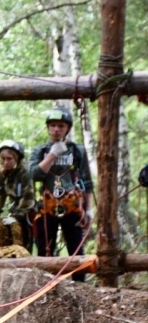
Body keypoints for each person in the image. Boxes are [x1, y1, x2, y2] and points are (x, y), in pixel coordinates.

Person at [29, 107, 94, 282]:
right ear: (48, 128)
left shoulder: (77, 151)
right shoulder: (40, 150)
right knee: (45, 249)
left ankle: (80, 287)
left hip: (72, 206)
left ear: (67, 128)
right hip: (47, 207)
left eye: (61, 126)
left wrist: (89, 209)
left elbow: (86, 181)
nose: (56, 129)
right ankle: (45, 285)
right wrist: (52, 155)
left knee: (76, 249)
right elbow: (33, 174)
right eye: (53, 126)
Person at [0, 140, 35, 252]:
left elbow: (28, 199)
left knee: (24, 243)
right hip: (14, 211)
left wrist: (16, 216)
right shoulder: (1, 175)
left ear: (16, 158)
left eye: (9, 159)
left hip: (27, 214)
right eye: (3, 159)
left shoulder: (25, 173)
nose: (5, 162)